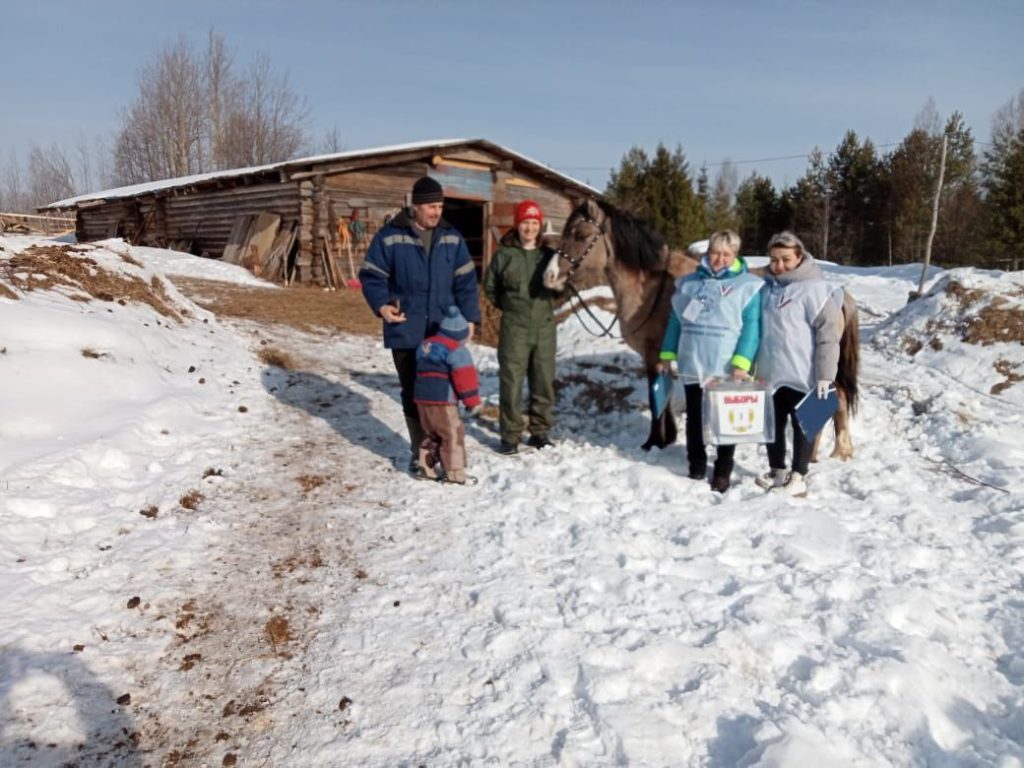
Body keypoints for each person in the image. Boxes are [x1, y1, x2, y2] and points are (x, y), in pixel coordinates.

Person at [359, 176, 481, 473]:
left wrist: (470, 317)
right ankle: (421, 451)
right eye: (431, 207)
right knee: (413, 391)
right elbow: (372, 276)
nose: (437, 212)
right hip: (406, 327)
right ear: (416, 206)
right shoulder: (389, 236)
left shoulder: (452, 237)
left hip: (442, 329)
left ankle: (447, 448)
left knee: (443, 392)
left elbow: (465, 281)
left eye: (440, 206)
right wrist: (382, 305)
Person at [656, 229, 763, 493]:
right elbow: (675, 321)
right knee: (694, 415)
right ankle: (697, 463)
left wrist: (742, 362)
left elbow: (752, 326)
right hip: (694, 359)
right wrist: (667, 354)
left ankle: (723, 469)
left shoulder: (747, 286)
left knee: (726, 418)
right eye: (715, 253)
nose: (720, 259)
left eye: (726, 254)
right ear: (707, 253)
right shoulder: (689, 284)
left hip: (725, 363)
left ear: (735, 255)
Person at [755, 231, 843, 497]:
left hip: (802, 372)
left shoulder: (816, 289)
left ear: (800, 257)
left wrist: (826, 374)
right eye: (774, 259)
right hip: (771, 371)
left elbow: (829, 333)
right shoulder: (766, 288)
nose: (779, 265)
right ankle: (777, 470)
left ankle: (799, 476)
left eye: (786, 259)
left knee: (803, 424)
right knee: (771, 423)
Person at [483, 199, 558, 454]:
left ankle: (540, 432)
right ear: (517, 225)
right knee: (512, 382)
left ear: (540, 225)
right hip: (514, 326)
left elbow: (562, 286)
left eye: (534, 223)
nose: (530, 228)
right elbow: (490, 287)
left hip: (545, 326)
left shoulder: (549, 256)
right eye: (525, 222)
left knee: (543, 381)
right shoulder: (504, 255)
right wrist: (510, 306)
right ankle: (510, 436)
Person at [414, 306, 482, 484]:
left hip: (421, 398)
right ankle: (453, 472)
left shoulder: (425, 345)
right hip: (443, 400)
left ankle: (424, 466)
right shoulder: (456, 349)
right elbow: (465, 378)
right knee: (452, 434)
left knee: (432, 434)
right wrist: (471, 400)